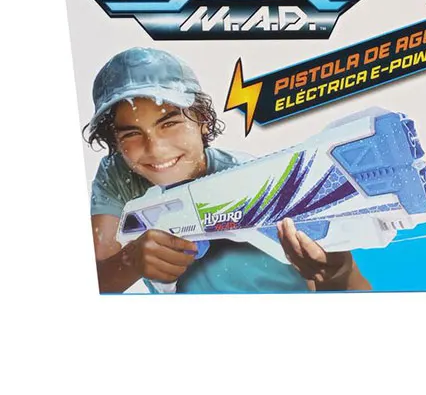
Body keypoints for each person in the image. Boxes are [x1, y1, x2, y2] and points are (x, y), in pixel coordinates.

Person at [86, 47, 370, 293]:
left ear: (202, 120)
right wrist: (130, 261)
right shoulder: (122, 172)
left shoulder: (263, 186)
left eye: (170, 124)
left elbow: (355, 290)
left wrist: (335, 273)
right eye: (132, 134)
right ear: (116, 142)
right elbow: (96, 280)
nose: (156, 149)